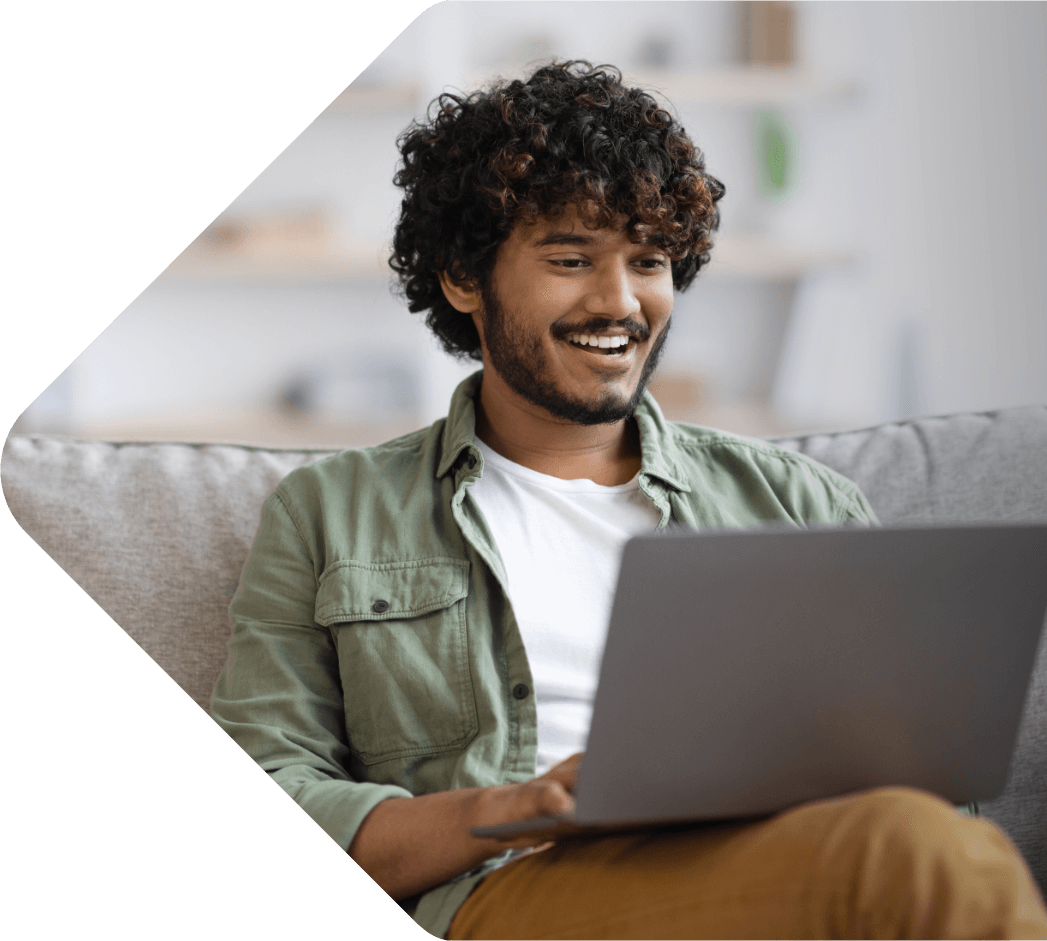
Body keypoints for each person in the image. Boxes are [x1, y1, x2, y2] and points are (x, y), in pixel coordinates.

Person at [211, 61, 1047, 939]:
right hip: (512, 888)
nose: (619, 303)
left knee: (918, 841)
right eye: (571, 258)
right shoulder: (330, 512)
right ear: (464, 277)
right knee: (908, 853)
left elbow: (925, 781)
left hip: (785, 868)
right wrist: (518, 804)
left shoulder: (799, 501)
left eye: (647, 261)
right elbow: (281, 774)